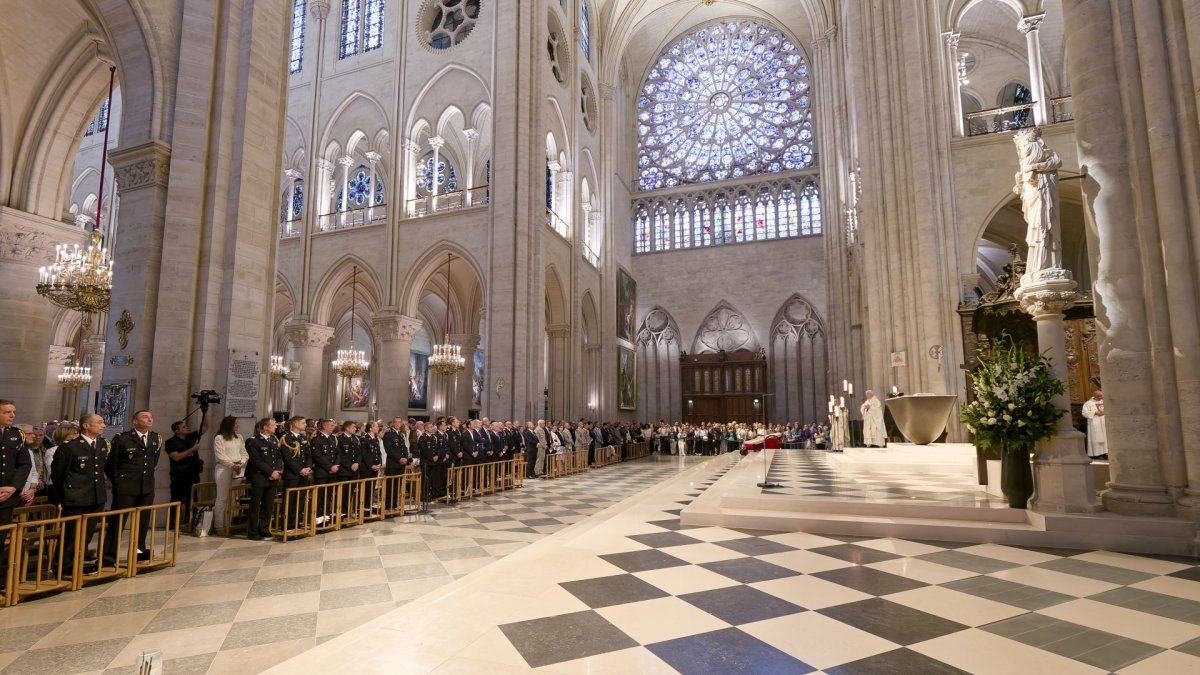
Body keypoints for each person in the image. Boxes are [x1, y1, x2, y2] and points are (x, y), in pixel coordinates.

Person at [51, 413, 105, 576]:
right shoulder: (70, 447)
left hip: (96, 496)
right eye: (99, 423)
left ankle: (78, 563)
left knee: (87, 534)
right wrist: (65, 496)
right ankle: (63, 567)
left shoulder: (101, 444)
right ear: (86, 426)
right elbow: (58, 474)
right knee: (71, 536)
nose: (103, 425)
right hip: (76, 497)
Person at [106, 409, 162, 562]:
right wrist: (119, 482)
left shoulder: (155, 438)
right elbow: (111, 465)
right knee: (117, 522)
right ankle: (109, 556)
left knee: (142, 521)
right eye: (145, 417)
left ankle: (139, 551)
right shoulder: (122, 439)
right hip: (126, 487)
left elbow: (152, 462)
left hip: (146, 487)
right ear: (135, 421)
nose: (149, 419)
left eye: (151, 416)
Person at [243, 418, 282, 540]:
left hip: (273, 477)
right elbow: (256, 460)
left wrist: (277, 471)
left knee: (268, 505)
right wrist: (270, 471)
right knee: (255, 505)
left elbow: (279, 458)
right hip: (259, 476)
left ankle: (264, 529)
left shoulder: (274, 441)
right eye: (273, 425)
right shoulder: (253, 441)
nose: (276, 427)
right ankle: (253, 531)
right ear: (265, 427)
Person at [165, 412, 209, 513]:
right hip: (179, 475)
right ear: (177, 431)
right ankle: (173, 523)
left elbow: (205, 427)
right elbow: (176, 457)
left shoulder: (191, 437)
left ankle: (191, 522)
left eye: (186, 426)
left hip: (193, 473)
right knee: (177, 499)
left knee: (193, 499)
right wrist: (192, 449)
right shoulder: (170, 442)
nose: (187, 428)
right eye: (184, 427)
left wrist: (204, 412)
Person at [213, 416, 248, 533]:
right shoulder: (219, 438)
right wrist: (233, 465)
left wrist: (241, 463)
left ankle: (230, 524)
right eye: (235, 423)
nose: (237, 425)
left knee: (233, 497)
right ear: (228, 425)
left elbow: (244, 453)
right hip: (224, 469)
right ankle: (219, 526)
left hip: (238, 469)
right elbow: (220, 456)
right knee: (222, 497)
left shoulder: (239, 437)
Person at [280, 415, 313, 530]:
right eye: (303, 423)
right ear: (295, 424)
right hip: (292, 474)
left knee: (300, 499)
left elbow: (308, 454)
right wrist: (300, 469)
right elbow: (288, 458)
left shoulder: (303, 438)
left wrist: (308, 467)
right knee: (290, 500)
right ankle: (287, 525)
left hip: (304, 474)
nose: (306, 425)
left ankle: (296, 523)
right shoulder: (286, 438)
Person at [1081, 390, 1107, 460]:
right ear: (1094, 395)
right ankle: (1096, 454)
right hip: (1094, 424)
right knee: (1096, 438)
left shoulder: (1104, 402)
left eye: (1101, 396)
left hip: (1104, 423)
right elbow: (1084, 413)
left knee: (1105, 438)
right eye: (1099, 396)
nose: (1100, 397)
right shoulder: (1088, 403)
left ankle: (1105, 453)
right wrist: (1095, 413)